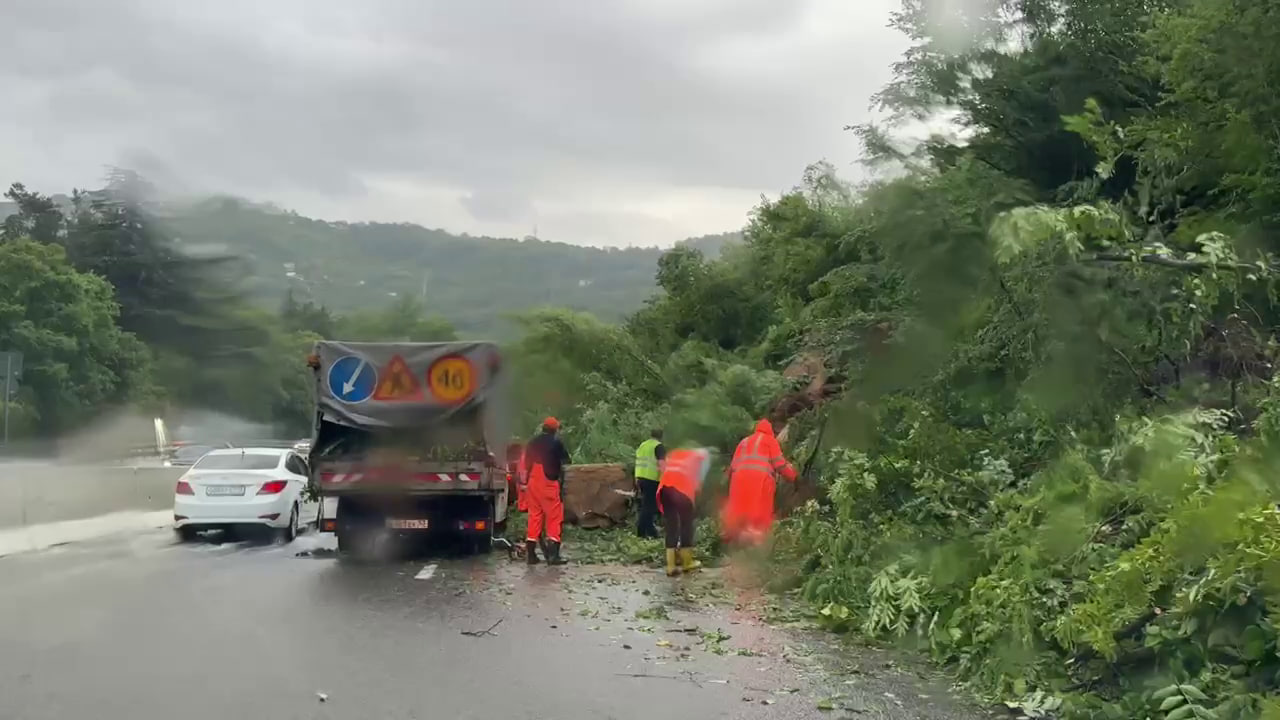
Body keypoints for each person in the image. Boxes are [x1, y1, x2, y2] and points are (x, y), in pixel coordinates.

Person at [721, 419, 796, 545]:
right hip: (760, 479)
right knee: (760, 512)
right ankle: (757, 542)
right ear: (770, 431)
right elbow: (780, 464)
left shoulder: (744, 441)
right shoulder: (770, 441)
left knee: (738, 509)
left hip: (738, 479)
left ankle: (733, 535)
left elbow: (732, 466)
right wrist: (793, 475)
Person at [522, 417, 571, 565]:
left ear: (543, 427)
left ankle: (531, 555)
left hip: (532, 482)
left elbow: (526, 463)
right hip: (548, 483)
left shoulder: (532, 442)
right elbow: (566, 460)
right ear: (555, 429)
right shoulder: (556, 442)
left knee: (534, 517)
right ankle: (553, 556)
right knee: (554, 517)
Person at [657, 447, 711, 576]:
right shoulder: (700, 456)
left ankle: (670, 566)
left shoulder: (675, 453)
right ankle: (687, 562)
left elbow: (664, 469)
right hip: (681, 489)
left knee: (671, 525)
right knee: (686, 525)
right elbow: (700, 477)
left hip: (665, 488)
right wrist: (698, 487)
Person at [633, 428, 666, 538]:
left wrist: (636, 478)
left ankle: (651, 532)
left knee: (647, 506)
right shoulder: (658, 446)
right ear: (661, 436)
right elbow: (661, 464)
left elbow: (638, 461)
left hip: (640, 478)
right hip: (652, 479)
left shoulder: (643, 445)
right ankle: (641, 532)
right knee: (649, 507)